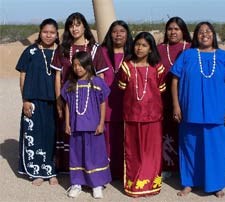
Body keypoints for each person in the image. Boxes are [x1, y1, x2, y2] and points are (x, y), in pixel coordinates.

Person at [170, 22, 225, 198]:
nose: (204, 34)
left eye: (208, 31)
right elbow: (175, 81)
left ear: (213, 35)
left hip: (217, 113)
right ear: (196, 36)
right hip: (190, 111)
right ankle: (189, 183)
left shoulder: (223, 56)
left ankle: (215, 185)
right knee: (190, 148)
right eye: (201, 32)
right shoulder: (187, 55)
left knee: (216, 150)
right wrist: (176, 105)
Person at [50, 12, 103, 172]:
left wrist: (99, 101)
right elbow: (58, 75)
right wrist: (59, 100)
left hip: (89, 101)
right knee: (69, 131)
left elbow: (100, 75)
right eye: (71, 25)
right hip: (69, 98)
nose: (74, 28)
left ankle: (92, 171)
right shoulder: (63, 49)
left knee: (89, 135)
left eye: (78, 24)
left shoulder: (94, 49)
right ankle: (70, 169)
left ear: (84, 26)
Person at [118, 32, 167, 197]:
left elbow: (161, 89)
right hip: (132, 116)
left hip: (153, 116)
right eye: (137, 44)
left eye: (144, 45)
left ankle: (151, 184)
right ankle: (134, 184)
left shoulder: (158, 67)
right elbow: (122, 87)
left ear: (151, 48)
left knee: (151, 151)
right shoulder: (126, 66)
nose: (139, 48)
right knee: (133, 150)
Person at [61, 51, 111, 199]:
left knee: (95, 155)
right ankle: (77, 183)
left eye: (81, 65)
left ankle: (96, 184)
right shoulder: (70, 84)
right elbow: (68, 105)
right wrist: (67, 123)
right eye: (75, 65)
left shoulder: (97, 82)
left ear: (88, 65)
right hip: (76, 127)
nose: (77, 68)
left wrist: (101, 123)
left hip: (93, 127)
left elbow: (103, 104)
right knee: (77, 155)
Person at [16, 18, 59, 186]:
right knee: (35, 136)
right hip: (33, 101)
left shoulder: (60, 52)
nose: (48, 35)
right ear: (40, 32)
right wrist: (25, 99)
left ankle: (52, 171)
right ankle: (37, 172)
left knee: (52, 136)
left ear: (57, 35)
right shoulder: (30, 51)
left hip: (54, 102)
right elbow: (22, 76)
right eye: (45, 32)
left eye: (52, 32)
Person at [95, 20, 133, 179]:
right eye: (115, 31)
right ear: (110, 34)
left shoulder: (133, 53)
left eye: (122, 31)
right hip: (106, 101)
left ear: (127, 34)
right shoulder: (101, 52)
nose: (118, 34)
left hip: (127, 101)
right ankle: (106, 172)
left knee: (124, 138)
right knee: (107, 138)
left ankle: (122, 172)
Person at [157, 16, 191, 177]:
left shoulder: (191, 48)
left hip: (186, 97)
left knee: (186, 133)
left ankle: (186, 167)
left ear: (183, 30)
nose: (173, 32)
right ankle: (168, 166)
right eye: (170, 29)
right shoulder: (159, 49)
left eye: (176, 29)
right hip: (163, 97)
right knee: (167, 132)